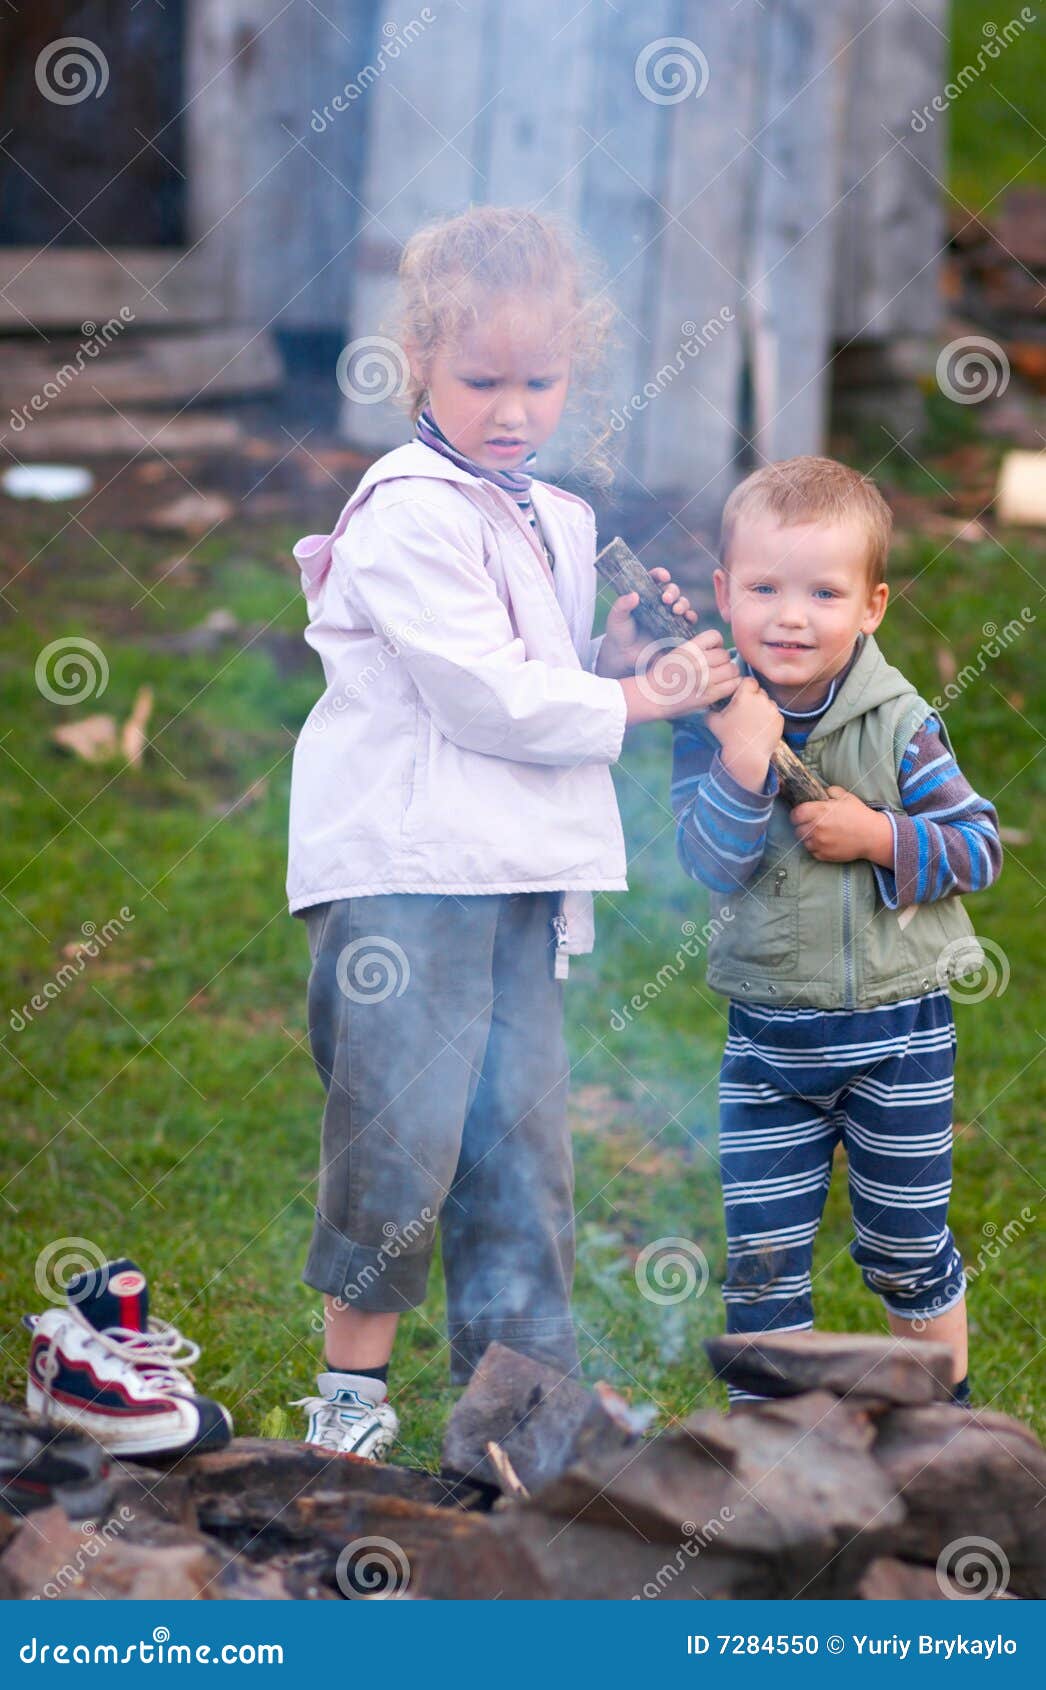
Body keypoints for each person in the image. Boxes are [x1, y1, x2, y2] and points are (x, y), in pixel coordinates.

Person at [286, 205, 739, 1457]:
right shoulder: (407, 510)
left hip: (519, 879)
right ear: (416, 363)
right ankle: (349, 1406)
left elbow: (551, 664)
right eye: (481, 378)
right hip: (407, 876)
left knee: (519, 1150)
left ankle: (521, 1421)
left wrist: (625, 651)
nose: (512, 408)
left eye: (539, 382)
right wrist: (630, 700)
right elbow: (480, 692)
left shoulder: (558, 515)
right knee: (402, 1140)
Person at [670, 456, 1002, 1402]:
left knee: (903, 1246)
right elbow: (708, 862)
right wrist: (739, 766)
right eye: (765, 588)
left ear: (872, 606)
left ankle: (947, 1424)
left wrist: (878, 835)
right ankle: (773, 1455)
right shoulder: (712, 719)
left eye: (823, 591)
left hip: (897, 1035)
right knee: (763, 1260)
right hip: (767, 1043)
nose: (790, 615)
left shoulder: (900, 724)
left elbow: (979, 848)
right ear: (725, 594)